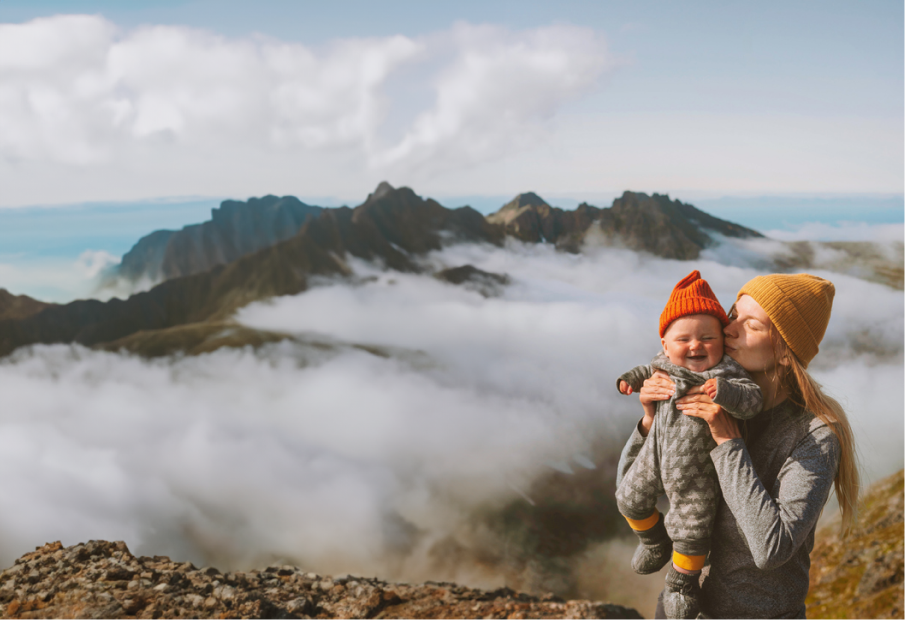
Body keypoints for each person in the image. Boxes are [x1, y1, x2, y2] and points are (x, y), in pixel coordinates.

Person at [617, 273, 859, 619]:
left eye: (752, 325)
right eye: (733, 314)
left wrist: (729, 443)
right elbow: (627, 487)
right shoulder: (710, 393)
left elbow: (771, 549)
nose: (729, 328)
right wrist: (652, 422)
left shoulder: (814, 436)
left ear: (786, 353)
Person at [614, 270, 763, 619]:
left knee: (692, 531)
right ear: (665, 345)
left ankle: (681, 584)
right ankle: (653, 542)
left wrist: (724, 392)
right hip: (654, 456)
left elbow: (752, 401)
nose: (696, 345)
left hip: (697, 471)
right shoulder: (661, 365)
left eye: (708, 337)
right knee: (628, 498)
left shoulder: (726, 373)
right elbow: (643, 371)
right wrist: (629, 382)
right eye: (684, 339)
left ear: (723, 343)